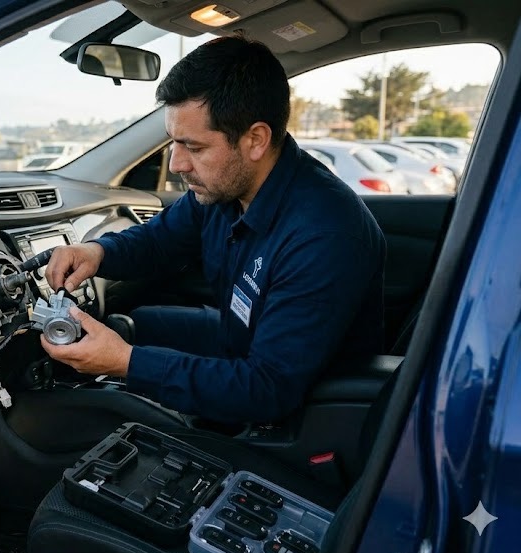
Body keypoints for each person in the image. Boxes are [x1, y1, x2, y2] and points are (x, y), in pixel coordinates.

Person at [41, 35, 386, 424]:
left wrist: (127, 363)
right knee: (137, 323)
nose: (177, 164)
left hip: (298, 421)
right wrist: (97, 253)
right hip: (240, 341)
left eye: (194, 147)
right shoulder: (225, 188)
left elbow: (266, 389)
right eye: (174, 143)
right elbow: (158, 241)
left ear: (255, 140)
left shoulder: (323, 235)